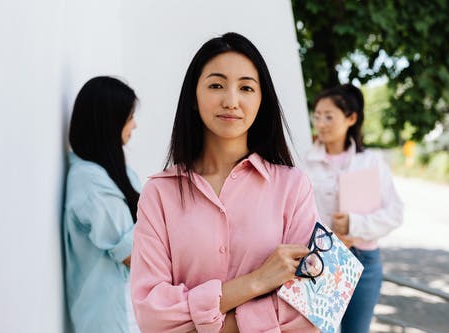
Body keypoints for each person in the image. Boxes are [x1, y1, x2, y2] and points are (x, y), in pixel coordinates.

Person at [130, 32, 321, 333]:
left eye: (246, 87)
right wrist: (256, 281)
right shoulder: (159, 193)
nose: (231, 101)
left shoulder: (294, 187)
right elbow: (151, 316)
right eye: (216, 85)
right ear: (194, 97)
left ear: (261, 100)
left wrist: (202, 322)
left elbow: (313, 311)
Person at [302, 83, 403, 333]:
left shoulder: (371, 162)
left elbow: (394, 213)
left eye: (328, 116)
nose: (321, 123)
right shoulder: (305, 163)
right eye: (317, 116)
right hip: (320, 258)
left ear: (351, 118)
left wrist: (354, 224)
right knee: (315, 330)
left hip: (365, 260)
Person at [63, 76, 141, 333]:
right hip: (109, 321)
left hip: (132, 313)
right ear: (110, 123)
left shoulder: (117, 174)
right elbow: (134, 252)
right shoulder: (90, 182)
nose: (135, 125)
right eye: (129, 118)